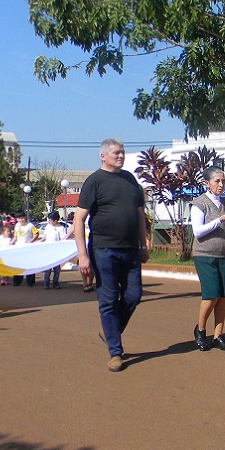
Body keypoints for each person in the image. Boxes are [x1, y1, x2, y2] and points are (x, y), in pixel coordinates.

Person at [74, 138, 149, 372]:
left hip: (130, 250)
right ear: (103, 156)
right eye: (116, 152)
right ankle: (116, 352)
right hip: (103, 250)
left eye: (123, 152)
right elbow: (79, 218)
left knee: (134, 295)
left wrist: (144, 243)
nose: (121, 156)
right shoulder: (94, 181)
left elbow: (139, 214)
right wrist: (82, 255)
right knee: (108, 300)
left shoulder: (129, 179)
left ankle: (110, 331)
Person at [190, 166, 225, 352]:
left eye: (223, 181)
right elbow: (198, 231)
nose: (221, 184)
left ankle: (218, 335)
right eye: (217, 181)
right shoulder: (200, 203)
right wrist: (219, 220)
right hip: (205, 255)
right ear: (207, 183)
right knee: (212, 295)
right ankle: (201, 330)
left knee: (223, 296)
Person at [11, 210, 40, 286]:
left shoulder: (30, 225)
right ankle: (17, 280)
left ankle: (30, 281)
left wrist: (31, 241)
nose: (21, 220)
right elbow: (15, 236)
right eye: (19, 218)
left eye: (22, 218)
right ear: (17, 219)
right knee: (18, 264)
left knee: (29, 264)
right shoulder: (17, 225)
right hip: (18, 248)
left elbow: (36, 234)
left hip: (27, 248)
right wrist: (10, 243)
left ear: (25, 217)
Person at [41, 211, 66, 289]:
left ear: (55, 221)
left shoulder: (61, 228)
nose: (49, 221)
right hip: (48, 250)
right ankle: (46, 283)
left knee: (56, 269)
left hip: (56, 251)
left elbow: (62, 239)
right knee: (47, 268)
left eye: (50, 220)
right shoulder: (48, 227)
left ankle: (55, 283)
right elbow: (45, 237)